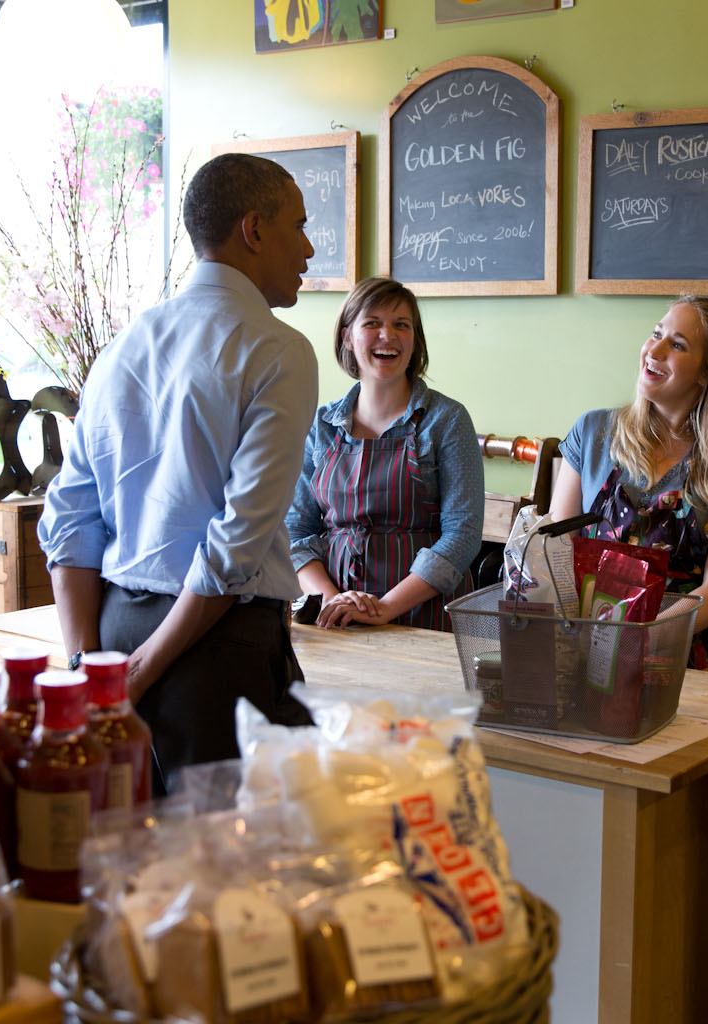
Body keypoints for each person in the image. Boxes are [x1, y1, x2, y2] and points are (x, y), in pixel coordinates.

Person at [37, 153, 318, 792]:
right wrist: (138, 672)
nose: (307, 247)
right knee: (235, 873)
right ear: (253, 230)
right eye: (298, 226)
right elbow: (235, 545)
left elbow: (69, 519)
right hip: (214, 648)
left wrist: (90, 666)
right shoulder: (278, 349)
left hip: (113, 628)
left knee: (133, 857)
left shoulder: (122, 347)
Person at [549, 295, 708, 673]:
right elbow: (556, 546)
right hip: (586, 646)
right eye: (656, 333)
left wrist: (640, 636)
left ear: (705, 374)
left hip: (683, 659)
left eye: (677, 344)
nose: (655, 349)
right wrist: (587, 639)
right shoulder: (593, 433)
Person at [286, 277, 482, 631]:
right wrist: (333, 600)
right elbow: (294, 531)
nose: (387, 336)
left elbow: (462, 535)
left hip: (425, 617)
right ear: (347, 336)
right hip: (334, 620)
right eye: (372, 323)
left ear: (415, 340)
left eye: (401, 325)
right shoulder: (322, 424)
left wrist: (384, 608)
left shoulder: (447, 420)